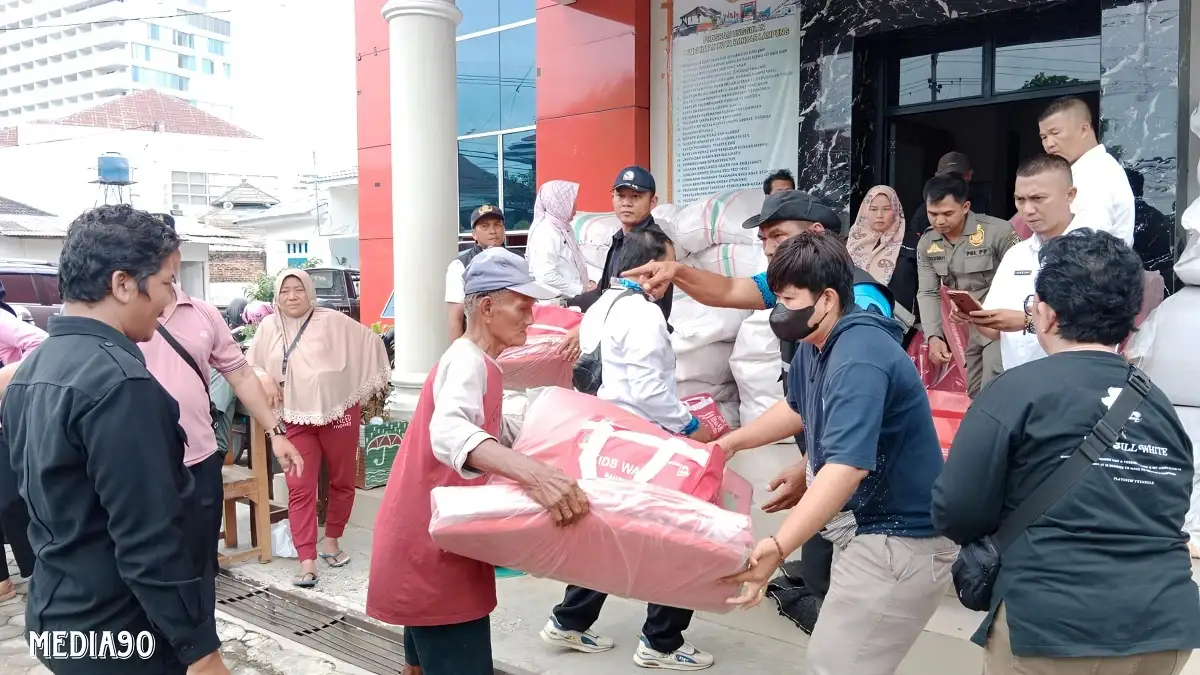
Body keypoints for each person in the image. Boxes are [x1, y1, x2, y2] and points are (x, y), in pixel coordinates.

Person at [622, 190, 897, 626]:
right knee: (824, 535)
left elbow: (863, 418)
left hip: (863, 460)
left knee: (851, 547)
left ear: (817, 236)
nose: (768, 249)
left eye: (778, 236)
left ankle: (838, 615)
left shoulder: (860, 310)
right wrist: (675, 271)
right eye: (765, 239)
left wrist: (812, 467)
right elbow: (731, 289)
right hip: (822, 432)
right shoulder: (803, 294)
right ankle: (823, 601)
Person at [932, 229, 1200, 674]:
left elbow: (955, 510)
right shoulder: (1159, 404)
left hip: (1054, 625)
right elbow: (1169, 504)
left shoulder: (1016, 392)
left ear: (1046, 314)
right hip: (1165, 625)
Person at [1, 204, 229, 674]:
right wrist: (200, 649)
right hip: (119, 632)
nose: (168, 302)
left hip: (57, 614)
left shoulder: (34, 369)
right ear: (124, 284)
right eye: (165, 284)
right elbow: (149, 537)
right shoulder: (121, 385)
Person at [721, 231, 953, 675]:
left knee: (839, 664)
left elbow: (847, 468)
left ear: (826, 299)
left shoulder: (859, 357)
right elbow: (798, 407)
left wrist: (777, 544)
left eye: (789, 300)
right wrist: (732, 444)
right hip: (866, 527)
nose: (779, 312)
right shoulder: (816, 343)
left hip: (899, 538)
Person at [366, 248, 588, 675]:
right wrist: (536, 476)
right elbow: (451, 432)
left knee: (421, 666)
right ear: (487, 307)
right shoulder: (467, 360)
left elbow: (488, 425)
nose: (531, 317)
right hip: (433, 548)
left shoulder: (481, 362)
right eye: (523, 306)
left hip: (433, 536)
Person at [541, 228, 714, 671]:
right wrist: (691, 424)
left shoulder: (603, 304)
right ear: (646, 265)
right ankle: (662, 642)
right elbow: (652, 390)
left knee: (610, 532)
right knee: (676, 538)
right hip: (646, 440)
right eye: (666, 266)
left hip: (608, 435)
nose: (669, 277)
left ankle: (569, 620)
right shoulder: (643, 313)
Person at [142, 255, 303, 615]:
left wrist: (276, 432)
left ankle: (200, 642)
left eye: (172, 251)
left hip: (200, 458)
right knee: (153, 565)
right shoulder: (125, 314)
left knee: (201, 564)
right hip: (141, 464)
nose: (168, 263)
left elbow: (240, 375)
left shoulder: (203, 313)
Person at [247, 269, 390, 587]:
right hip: (295, 418)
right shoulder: (270, 326)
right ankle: (307, 558)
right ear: (277, 296)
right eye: (285, 291)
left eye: (299, 289)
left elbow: (372, 343)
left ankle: (332, 541)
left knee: (342, 480)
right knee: (300, 487)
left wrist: (354, 383)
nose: (292, 296)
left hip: (339, 412)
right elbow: (249, 363)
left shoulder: (332, 320)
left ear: (310, 292)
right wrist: (264, 377)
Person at [969, 154, 1078, 371]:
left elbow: (1098, 330)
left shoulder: (1096, 252)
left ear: (1070, 195)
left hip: (1074, 387)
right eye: (1020, 200)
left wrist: (1026, 322)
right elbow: (995, 330)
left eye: (1038, 199)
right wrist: (976, 317)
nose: (1027, 210)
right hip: (1020, 384)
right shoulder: (1016, 254)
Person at [916, 172, 1018, 397]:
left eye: (947, 213)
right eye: (932, 213)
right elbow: (928, 291)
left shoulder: (997, 232)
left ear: (965, 207)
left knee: (993, 395)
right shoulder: (927, 243)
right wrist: (933, 336)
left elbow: (1023, 281)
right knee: (973, 393)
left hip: (1002, 329)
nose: (939, 221)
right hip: (972, 329)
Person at [567, 166, 673, 321]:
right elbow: (602, 292)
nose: (626, 203)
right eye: (620, 196)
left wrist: (584, 329)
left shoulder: (652, 242)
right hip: (615, 330)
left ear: (652, 202)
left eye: (636, 196)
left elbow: (628, 302)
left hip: (641, 335)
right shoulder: (619, 239)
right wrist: (565, 304)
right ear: (612, 198)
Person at [1037, 96, 1135, 245]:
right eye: (1044, 137)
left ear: (1084, 130)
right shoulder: (1084, 171)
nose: (1049, 144)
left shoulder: (1098, 174)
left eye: (1055, 133)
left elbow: (1086, 241)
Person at [0, 294, 45, 602]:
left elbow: (41, 343)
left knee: (11, 501)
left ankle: (40, 568)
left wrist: (6, 376)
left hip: (5, 426)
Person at [847, 184, 920, 342]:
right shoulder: (850, 243)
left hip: (900, 330)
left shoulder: (912, 243)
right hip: (853, 325)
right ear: (865, 209)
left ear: (895, 209)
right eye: (873, 209)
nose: (879, 215)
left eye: (886, 209)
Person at [447, 204, 507, 340]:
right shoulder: (460, 266)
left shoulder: (518, 260)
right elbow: (455, 319)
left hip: (514, 343)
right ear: (474, 234)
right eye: (485, 226)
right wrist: (458, 355)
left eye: (497, 225)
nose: (493, 231)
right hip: (479, 343)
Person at [526, 180, 594, 298]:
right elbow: (546, 276)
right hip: (556, 302)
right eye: (570, 202)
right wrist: (581, 289)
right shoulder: (546, 232)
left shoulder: (562, 228)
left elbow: (574, 264)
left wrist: (588, 283)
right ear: (558, 203)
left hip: (572, 297)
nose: (575, 208)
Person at [907, 151, 991, 236]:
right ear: (937, 178)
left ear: (969, 175)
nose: (954, 182)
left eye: (958, 177)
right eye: (948, 177)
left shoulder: (981, 204)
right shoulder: (925, 212)